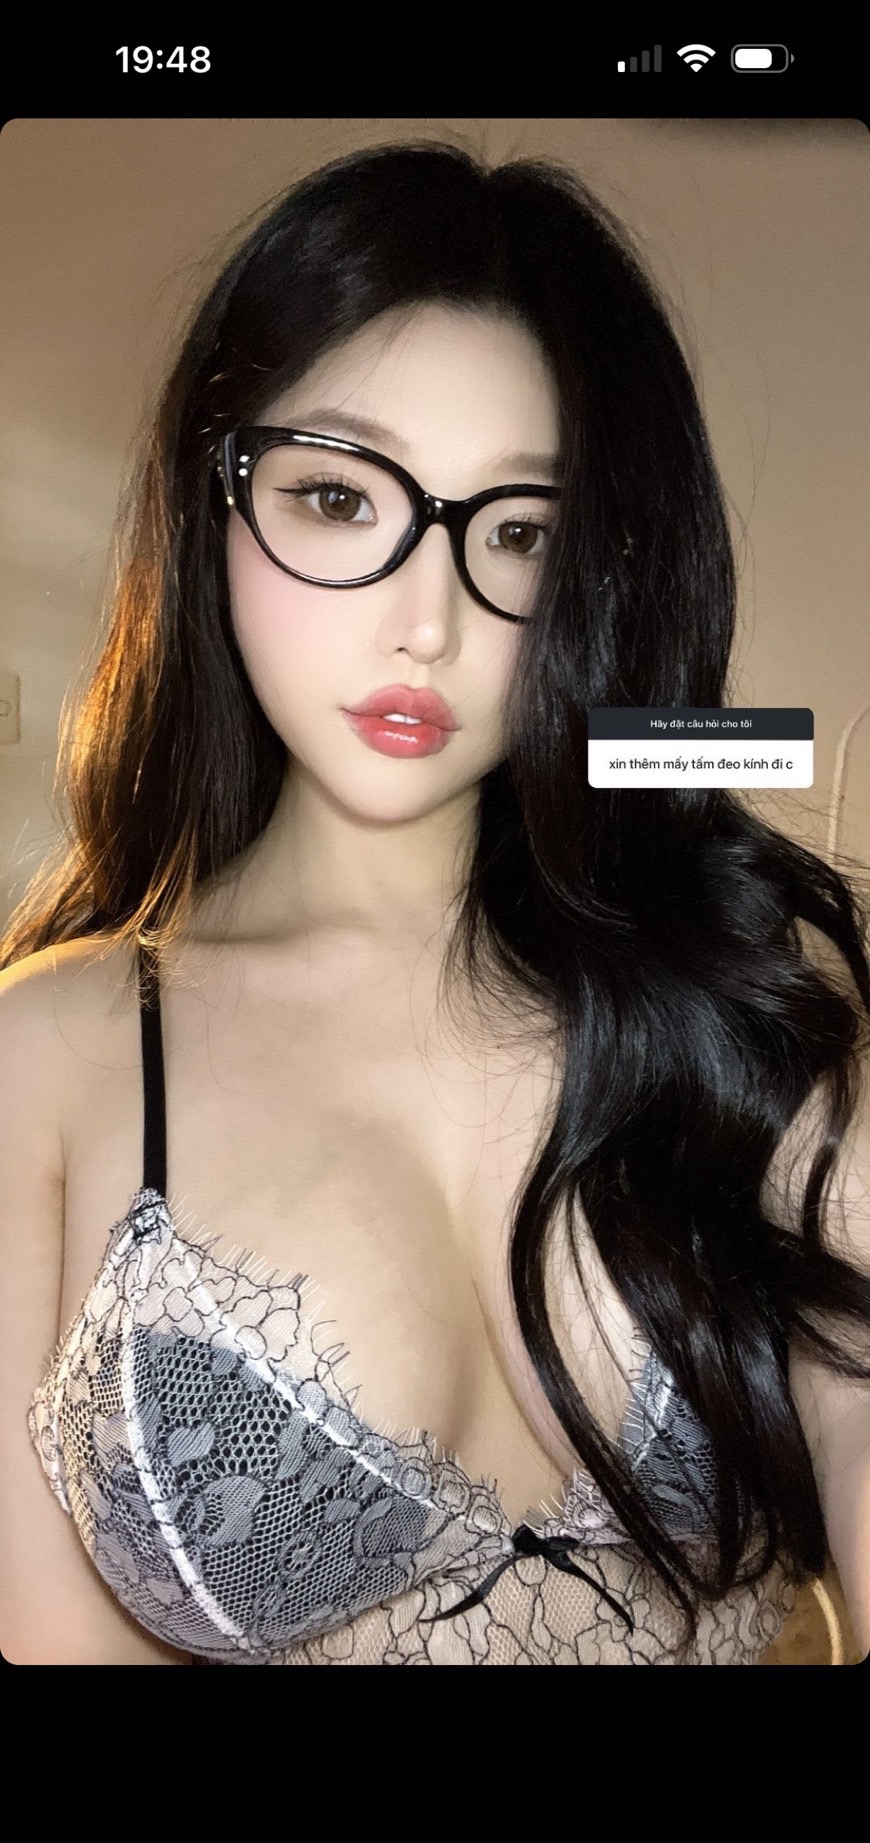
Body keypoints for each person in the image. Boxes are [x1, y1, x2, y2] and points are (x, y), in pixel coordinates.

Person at [2, 141, 869, 1667]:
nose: (428, 620)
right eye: (339, 497)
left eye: (518, 532)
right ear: (212, 503)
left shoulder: (747, 1023)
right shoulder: (48, 1060)